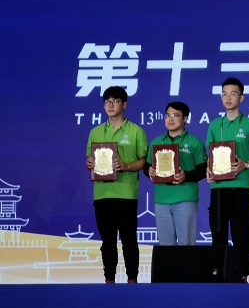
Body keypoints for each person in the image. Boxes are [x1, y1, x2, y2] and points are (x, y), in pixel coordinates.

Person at [206, 77, 249, 282]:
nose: (228, 97)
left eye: (233, 94)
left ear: (241, 98)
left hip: (241, 187)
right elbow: (210, 155)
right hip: (218, 187)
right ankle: (218, 274)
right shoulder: (215, 125)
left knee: (241, 233)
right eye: (224, 94)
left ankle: (242, 275)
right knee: (218, 233)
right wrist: (208, 171)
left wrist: (246, 164)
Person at [85, 86, 148, 284]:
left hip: (126, 193)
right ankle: (109, 280)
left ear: (124, 105)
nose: (110, 105)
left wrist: (127, 165)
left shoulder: (136, 131)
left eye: (115, 101)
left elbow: (143, 161)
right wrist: (89, 163)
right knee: (107, 241)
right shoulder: (95, 132)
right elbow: (90, 159)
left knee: (129, 240)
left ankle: (132, 280)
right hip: (102, 194)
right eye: (107, 101)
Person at [143, 101, 207, 245]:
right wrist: (149, 171)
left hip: (185, 198)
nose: (170, 119)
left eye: (175, 115)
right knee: (166, 246)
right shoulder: (156, 142)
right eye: (167, 115)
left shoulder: (195, 142)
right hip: (161, 199)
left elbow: (203, 170)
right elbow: (147, 165)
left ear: (185, 119)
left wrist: (185, 176)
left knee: (186, 244)